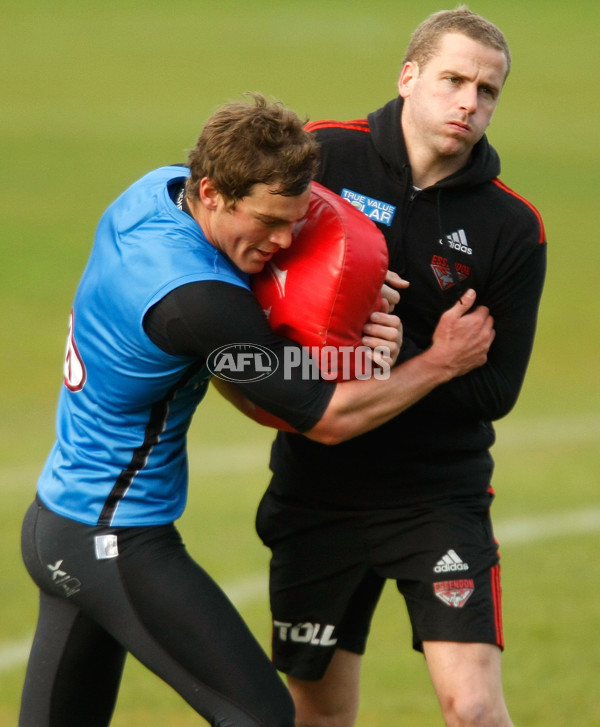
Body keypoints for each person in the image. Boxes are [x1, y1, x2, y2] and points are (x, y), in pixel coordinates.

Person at [19, 94, 494, 727]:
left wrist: (345, 289)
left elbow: (243, 341)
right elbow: (325, 416)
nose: (284, 239)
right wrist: (439, 361)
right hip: (114, 540)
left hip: (59, 521)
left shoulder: (155, 191)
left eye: (295, 221)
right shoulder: (198, 304)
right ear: (212, 191)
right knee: (262, 715)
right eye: (268, 222)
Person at [255, 9, 547, 727]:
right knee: (318, 716)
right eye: (453, 80)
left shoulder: (511, 226)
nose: (468, 103)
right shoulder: (321, 157)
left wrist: (412, 357)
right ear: (409, 76)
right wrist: (359, 342)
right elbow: (249, 279)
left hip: (437, 497)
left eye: (487, 90)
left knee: (474, 708)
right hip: (318, 490)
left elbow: (496, 389)